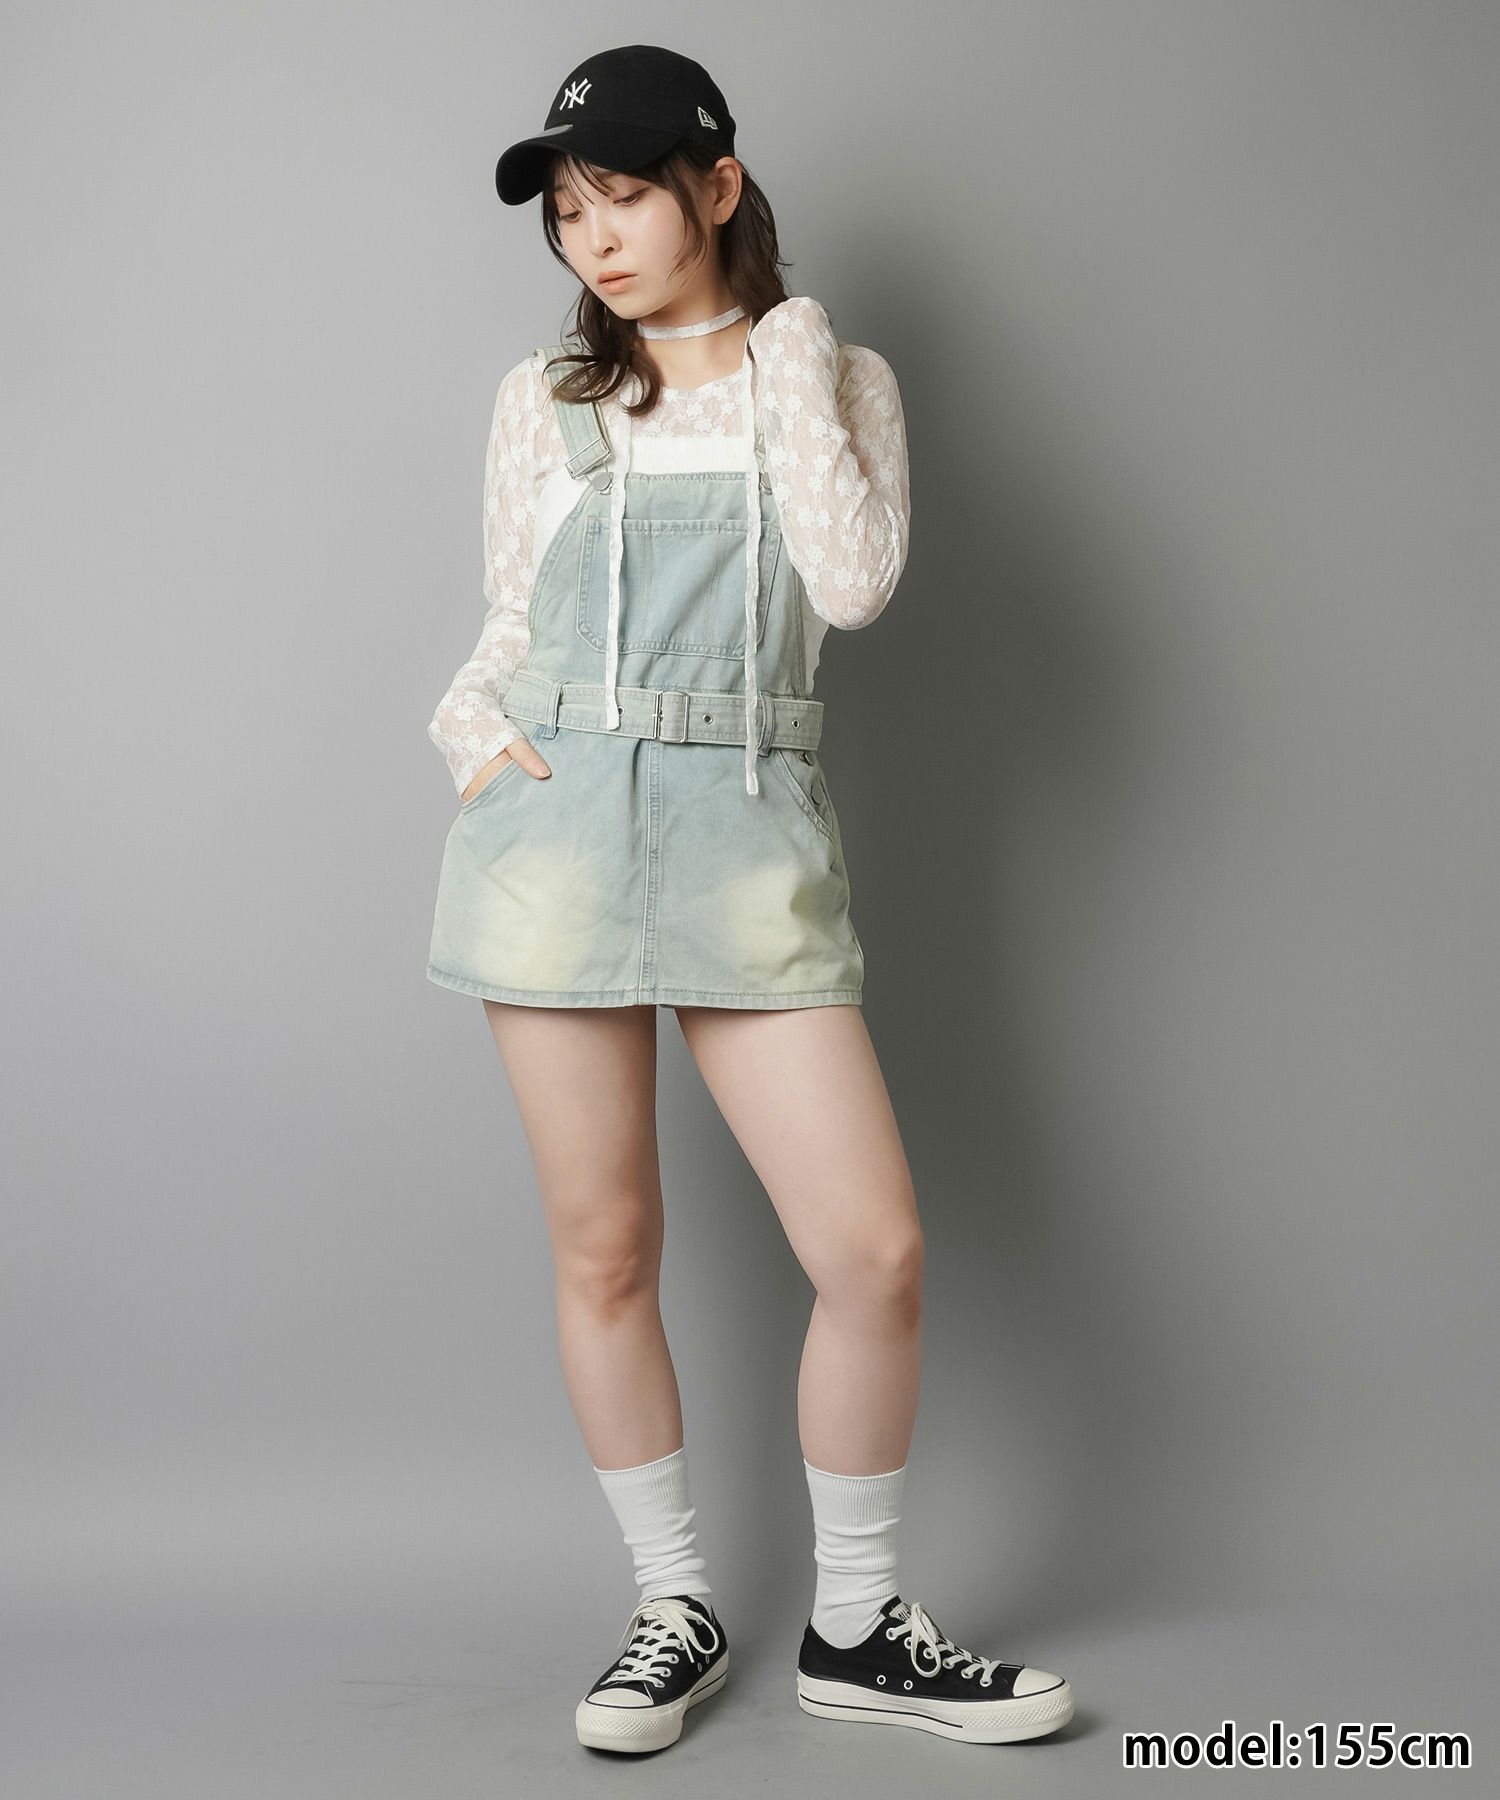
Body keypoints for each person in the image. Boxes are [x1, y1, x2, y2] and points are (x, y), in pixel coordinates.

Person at [425, 43, 1074, 1754]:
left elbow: (852, 589)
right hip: (556, 838)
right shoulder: (541, 398)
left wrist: (789, 352)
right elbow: (507, 624)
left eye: (625, 196)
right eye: (566, 212)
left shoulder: (835, 374)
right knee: (606, 1246)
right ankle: (673, 1606)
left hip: (747, 828)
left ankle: (856, 1628)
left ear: (717, 187)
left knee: (873, 1250)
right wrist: (471, 740)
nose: (593, 238)